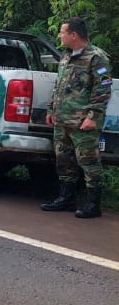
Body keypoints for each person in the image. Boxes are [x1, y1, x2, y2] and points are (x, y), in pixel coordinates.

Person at [42, 17, 112, 219]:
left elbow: (103, 88)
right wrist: (51, 109)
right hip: (62, 119)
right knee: (64, 160)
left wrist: (93, 116)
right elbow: (59, 85)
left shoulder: (97, 57)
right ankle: (66, 198)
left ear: (74, 35)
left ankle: (92, 204)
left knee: (88, 161)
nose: (59, 35)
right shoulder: (65, 56)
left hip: (83, 121)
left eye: (62, 32)